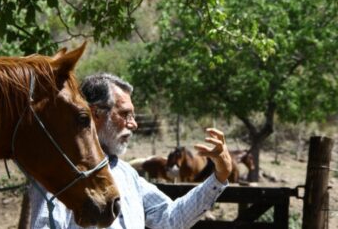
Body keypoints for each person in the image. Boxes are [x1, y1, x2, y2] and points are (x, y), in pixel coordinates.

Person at [29, 73, 232, 229]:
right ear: (95, 114)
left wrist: (219, 177)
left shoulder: (128, 174)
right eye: (125, 114)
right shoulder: (58, 175)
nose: (133, 124)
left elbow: (170, 219)